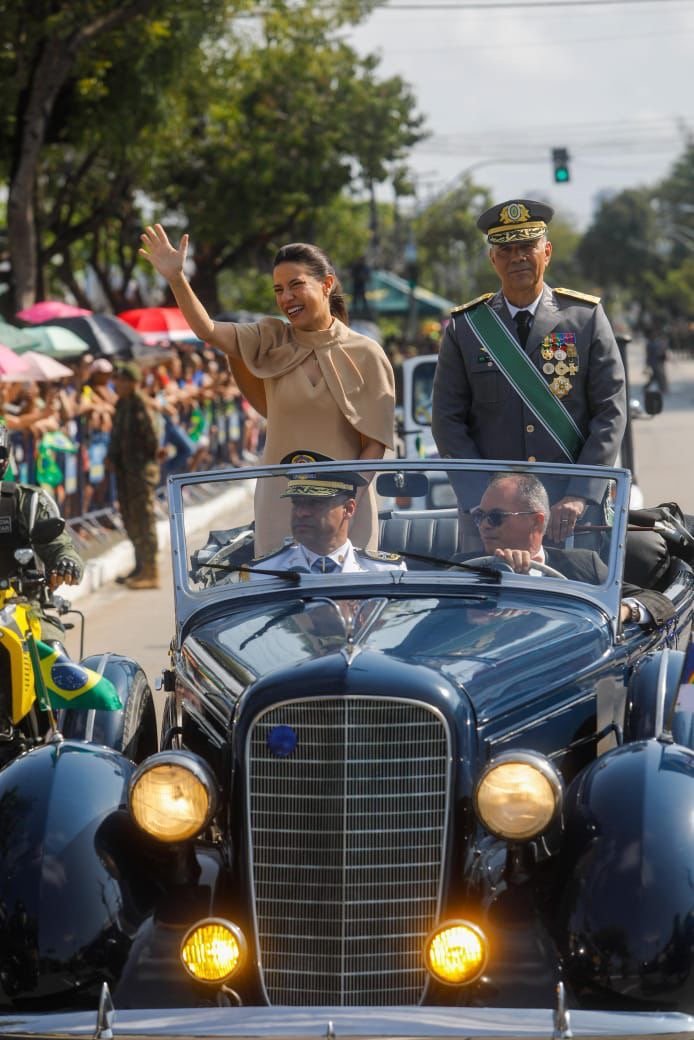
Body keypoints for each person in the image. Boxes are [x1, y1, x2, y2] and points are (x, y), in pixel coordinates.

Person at [139, 225, 395, 555]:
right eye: (278, 289)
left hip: (346, 507)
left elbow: (375, 443)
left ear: (327, 284)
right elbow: (209, 331)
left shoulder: (366, 352)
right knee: (278, 598)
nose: (286, 297)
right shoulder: (269, 338)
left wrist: (347, 501)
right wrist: (177, 279)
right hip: (280, 505)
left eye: (296, 285)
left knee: (349, 601)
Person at [431, 199, 627, 545]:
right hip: (489, 516)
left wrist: (581, 494)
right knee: (485, 599)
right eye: (505, 250)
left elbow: (611, 412)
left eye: (526, 246)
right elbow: (447, 420)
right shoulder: (466, 328)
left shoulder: (585, 318)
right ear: (493, 259)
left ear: (547, 252)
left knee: (579, 595)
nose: (517, 257)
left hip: (570, 511)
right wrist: (484, 503)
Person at [455, 472, 674, 628]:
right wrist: (467, 615)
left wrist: (622, 612)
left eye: (495, 517)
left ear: (536, 522)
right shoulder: (460, 568)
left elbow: (657, 602)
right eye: (479, 516)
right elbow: (428, 629)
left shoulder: (583, 565)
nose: (483, 525)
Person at [246, 451, 405, 576]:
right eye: (296, 502)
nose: (301, 512)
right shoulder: (264, 573)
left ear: (348, 509)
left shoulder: (384, 572)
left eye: (315, 503)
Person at [0, 422, 83, 640]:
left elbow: (60, 546)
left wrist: (67, 562)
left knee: (55, 660)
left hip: (21, 609)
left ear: (5, 460)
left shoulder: (27, 501)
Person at [107, 362, 161, 590]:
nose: (116, 384)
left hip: (139, 471)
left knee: (144, 519)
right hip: (125, 471)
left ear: (131, 382)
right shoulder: (123, 404)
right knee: (130, 519)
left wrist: (139, 462)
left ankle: (151, 570)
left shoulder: (141, 404)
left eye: (120, 380)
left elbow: (153, 440)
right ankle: (140, 566)